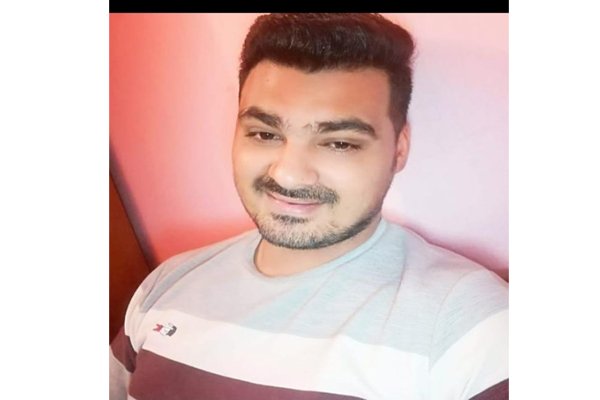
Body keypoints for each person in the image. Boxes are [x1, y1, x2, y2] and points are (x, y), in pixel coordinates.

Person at [110, 13, 508, 400]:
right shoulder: (166, 285)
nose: (288, 175)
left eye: (339, 142)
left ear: (398, 149)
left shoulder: (470, 325)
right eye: (264, 134)